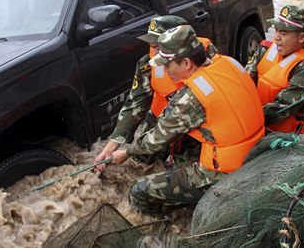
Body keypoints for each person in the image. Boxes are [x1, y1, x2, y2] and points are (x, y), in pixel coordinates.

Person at [108, 25, 265, 214]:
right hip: (255, 153)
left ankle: (156, 230)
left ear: (187, 63)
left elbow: (155, 141)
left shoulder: (191, 98)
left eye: (168, 65)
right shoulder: (229, 63)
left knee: (139, 190)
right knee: (180, 162)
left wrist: (126, 152)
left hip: (225, 172)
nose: (165, 71)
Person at [93, 15, 217, 171]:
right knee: (138, 165)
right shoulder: (148, 65)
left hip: (193, 126)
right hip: (160, 120)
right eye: (152, 46)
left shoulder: (203, 56)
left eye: (158, 46)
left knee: (184, 172)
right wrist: (113, 144)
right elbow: (135, 105)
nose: (154, 51)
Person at [245, 5, 304, 134]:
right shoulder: (264, 49)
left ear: (302, 37)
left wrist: (243, 120)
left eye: (283, 33)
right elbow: (245, 81)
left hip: (280, 138)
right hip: (254, 123)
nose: (276, 37)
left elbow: (282, 109)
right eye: (276, 30)